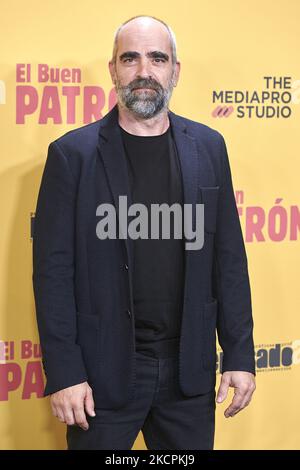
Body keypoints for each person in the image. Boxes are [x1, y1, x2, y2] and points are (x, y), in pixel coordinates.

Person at [32, 14, 256, 450]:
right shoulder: (71, 156)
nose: (144, 71)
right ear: (113, 69)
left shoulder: (209, 147)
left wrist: (240, 355)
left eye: (157, 57)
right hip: (101, 376)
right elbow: (52, 276)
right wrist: (65, 373)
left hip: (188, 372)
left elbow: (228, 258)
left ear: (176, 69)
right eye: (130, 58)